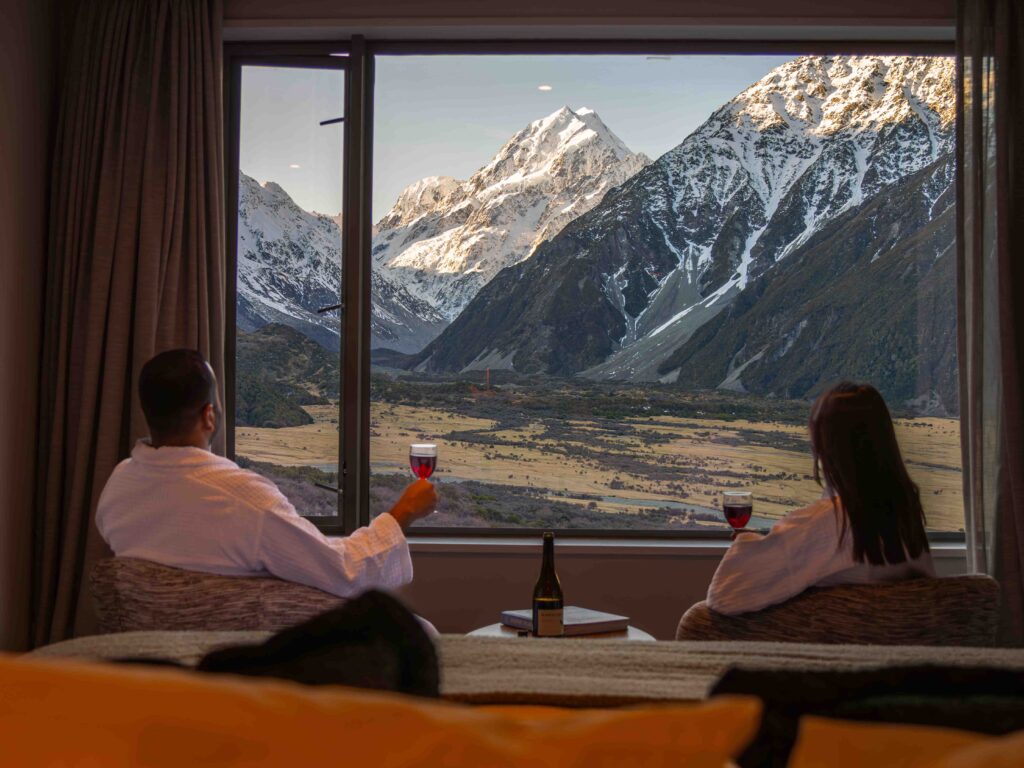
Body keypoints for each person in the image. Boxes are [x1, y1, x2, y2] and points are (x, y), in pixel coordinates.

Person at [97, 349, 438, 600]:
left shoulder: (118, 487)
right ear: (209, 416)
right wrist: (403, 513)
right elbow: (345, 571)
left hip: (157, 658)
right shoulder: (242, 499)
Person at [706, 381, 934, 616]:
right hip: (890, 633)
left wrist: (750, 544)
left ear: (824, 445)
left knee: (700, 617)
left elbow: (726, 594)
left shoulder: (829, 522)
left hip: (841, 635)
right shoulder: (905, 513)